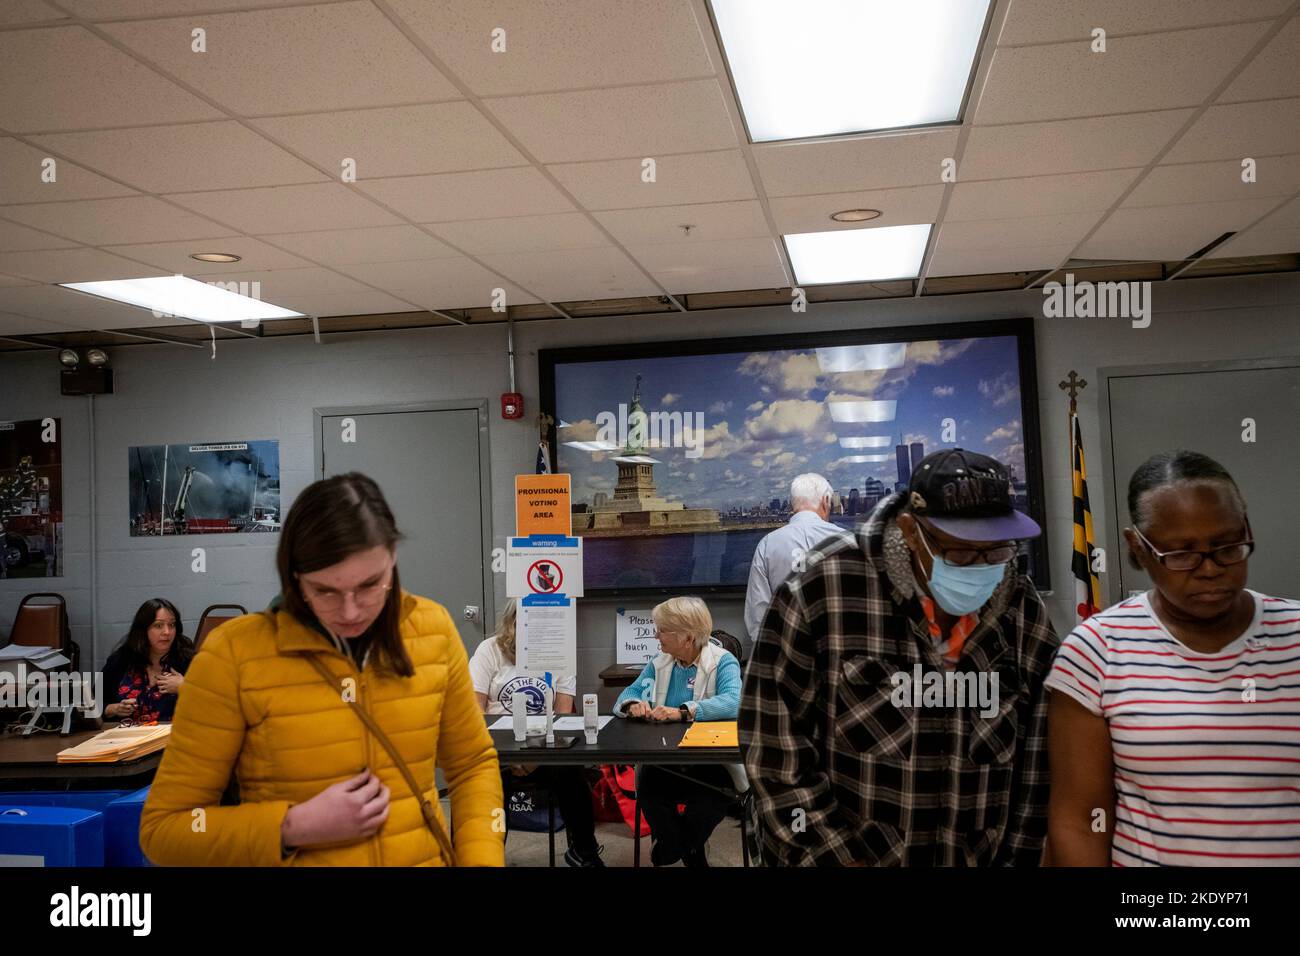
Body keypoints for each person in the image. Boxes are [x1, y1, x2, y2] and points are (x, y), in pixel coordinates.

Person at [140, 472, 504, 867]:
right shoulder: (233, 655)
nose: (350, 612)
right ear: (294, 577)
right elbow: (165, 830)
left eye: (370, 585)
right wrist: (292, 827)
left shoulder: (433, 629)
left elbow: (472, 766)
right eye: (325, 591)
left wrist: (481, 859)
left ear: (392, 559)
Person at [741, 448, 1058, 866]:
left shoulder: (1016, 599)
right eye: (961, 553)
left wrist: (1019, 856)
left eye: (996, 551)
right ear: (911, 531)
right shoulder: (823, 589)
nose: (981, 568)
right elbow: (775, 752)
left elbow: (1040, 751)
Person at [1046, 450, 1300, 866]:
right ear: (1138, 548)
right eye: (1181, 554)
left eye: (1228, 546)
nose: (1210, 569)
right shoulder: (1097, 650)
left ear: (1247, 529)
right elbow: (1080, 818)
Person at [470, 599, 605, 867]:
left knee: (572, 774)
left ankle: (584, 851)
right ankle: (484, 856)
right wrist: (508, 753)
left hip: (543, 748)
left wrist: (534, 755)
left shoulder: (559, 654)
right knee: (484, 786)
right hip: (496, 750)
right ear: (513, 621)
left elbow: (563, 717)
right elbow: (475, 715)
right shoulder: (490, 649)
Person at [613, 596, 743, 866]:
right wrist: (632, 704)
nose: (655, 635)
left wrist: (685, 711)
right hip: (664, 760)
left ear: (686, 636)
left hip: (709, 761)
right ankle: (690, 849)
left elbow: (734, 701)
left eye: (662, 630)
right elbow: (629, 693)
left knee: (710, 803)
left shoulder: (723, 661)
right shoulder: (660, 662)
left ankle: (673, 848)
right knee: (650, 795)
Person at [744, 473, 848, 644]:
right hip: (840, 653)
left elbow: (758, 616)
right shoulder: (846, 540)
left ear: (793, 504)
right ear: (825, 501)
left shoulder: (768, 544)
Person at [101, 598, 194, 723]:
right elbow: (88, 706)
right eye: (158, 625)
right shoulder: (121, 659)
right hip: (126, 738)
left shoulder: (188, 659)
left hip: (176, 737)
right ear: (143, 630)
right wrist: (113, 709)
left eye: (172, 625)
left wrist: (186, 687)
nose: (167, 632)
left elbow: (218, 704)